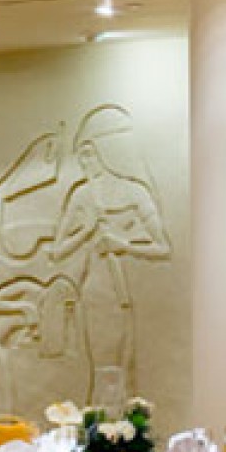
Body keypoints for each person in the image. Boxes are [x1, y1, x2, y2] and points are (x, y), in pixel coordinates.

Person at [47, 105, 170, 386]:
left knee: (131, 367)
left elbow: (162, 247)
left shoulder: (135, 192)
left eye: (89, 154)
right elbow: (57, 251)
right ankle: (103, 414)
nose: (84, 162)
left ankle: (128, 416)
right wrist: (86, 232)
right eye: (81, 156)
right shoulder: (82, 195)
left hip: (132, 289)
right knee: (104, 367)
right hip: (98, 291)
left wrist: (123, 245)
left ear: (108, 152)